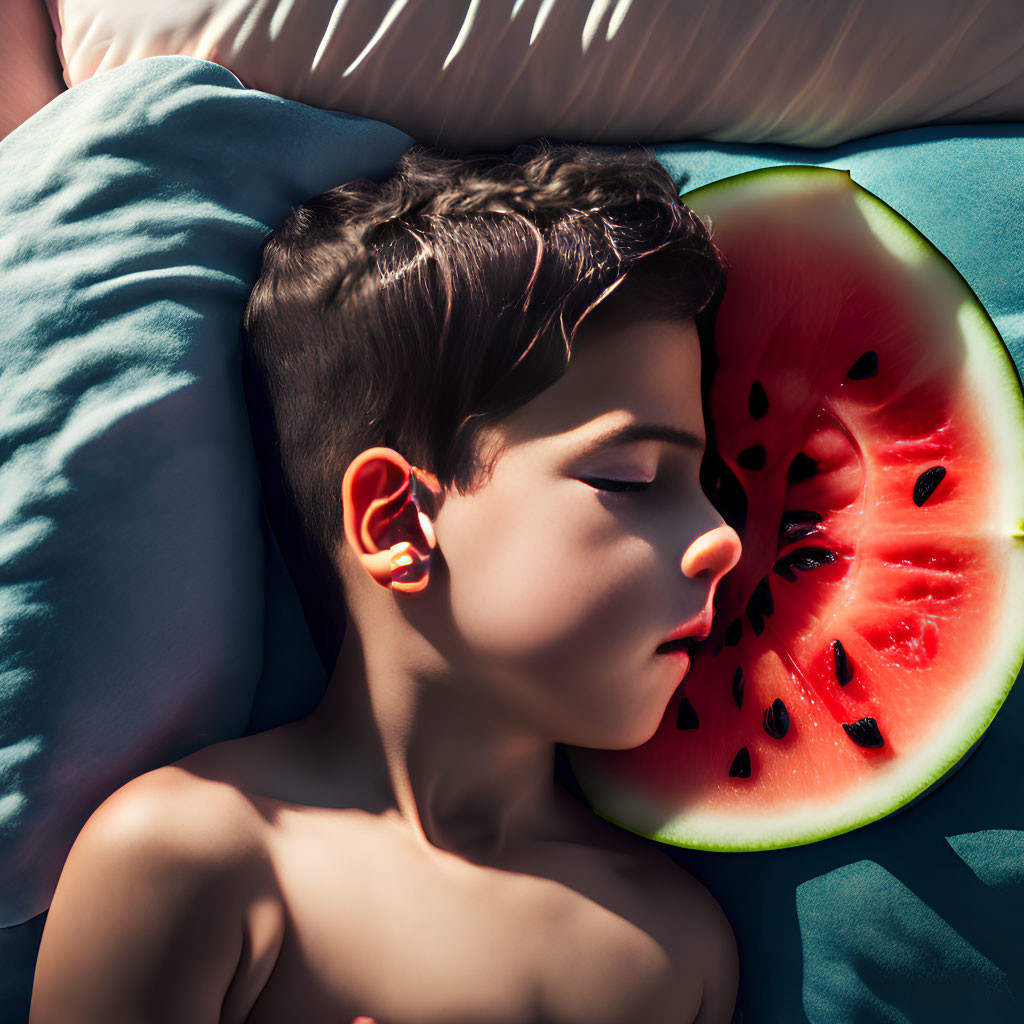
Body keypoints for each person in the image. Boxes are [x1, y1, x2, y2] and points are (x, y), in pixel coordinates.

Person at [29, 140, 743, 1023]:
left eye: (711, 489)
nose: (723, 540)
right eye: (630, 479)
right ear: (398, 523)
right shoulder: (195, 857)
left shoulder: (679, 947)